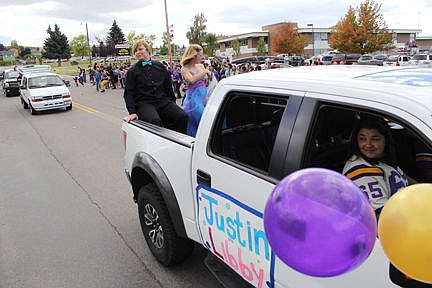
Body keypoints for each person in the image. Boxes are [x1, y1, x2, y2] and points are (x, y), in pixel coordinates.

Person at [343, 116, 415, 220]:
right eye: (362, 138)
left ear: (386, 141)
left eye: (375, 139)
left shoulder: (381, 159)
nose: (368, 144)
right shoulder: (362, 172)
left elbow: (404, 179)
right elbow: (382, 217)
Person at [123, 39, 187, 134]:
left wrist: (172, 103)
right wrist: (132, 112)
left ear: (148, 50)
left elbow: (168, 87)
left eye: (140, 49)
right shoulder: (132, 71)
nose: (138, 52)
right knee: (155, 121)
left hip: (163, 101)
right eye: (135, 51)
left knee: (182, 116)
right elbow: (128, 93)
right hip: (144, 103)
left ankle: (180, 143)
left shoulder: (160, 67)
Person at [180, 44, 212, 137]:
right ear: (193, 55)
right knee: (202, 119)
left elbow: (208, 79)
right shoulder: (185, 68)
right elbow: (191, 80)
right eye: (200, 56)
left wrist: (209, 75)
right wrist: (205, 72)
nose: (201, 58)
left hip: (204, 96)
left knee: (212, 116)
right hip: (193, 99)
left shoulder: (201, 66)